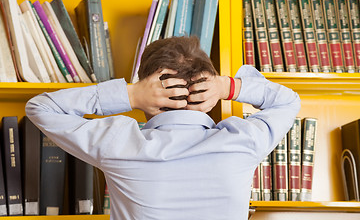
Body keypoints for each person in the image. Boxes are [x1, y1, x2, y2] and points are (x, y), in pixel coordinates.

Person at [26, 36, 300, 220]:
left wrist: (130, 95)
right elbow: (288, 101)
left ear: (149, 87)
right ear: (207, 89)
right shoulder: (244, 142)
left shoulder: (118, 142)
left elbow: (41, 108)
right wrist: (228, 86)